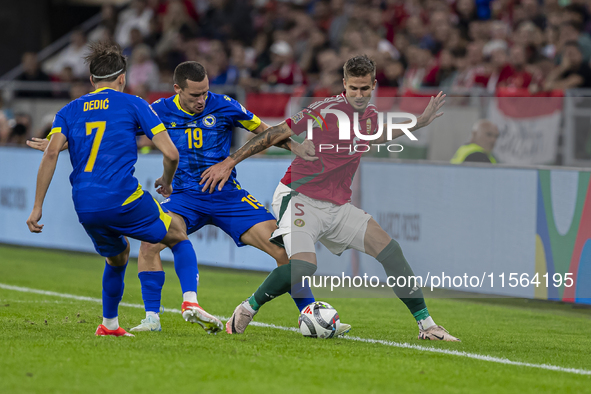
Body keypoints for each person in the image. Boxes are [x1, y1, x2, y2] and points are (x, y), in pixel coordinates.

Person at [28, 61, 344, 334]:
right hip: (185, 197)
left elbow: (266, 131)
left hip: (227, 196)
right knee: (150, 243)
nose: (202, 100)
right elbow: (111, 131)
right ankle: (152, 318)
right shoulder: (158, 110)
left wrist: (293, 149)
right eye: (195, 95)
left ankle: (305, 312)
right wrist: (61, 144)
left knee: (285, 251)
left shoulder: (224, 104)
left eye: (205, 92)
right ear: (178, 88)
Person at [200, 54, 460, 341]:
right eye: (354, 88)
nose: (359, 95)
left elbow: (380, 134)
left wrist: (418, 123)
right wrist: (230, 162)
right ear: (344, 84)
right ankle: (247, 309)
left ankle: (427, 326)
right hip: (299, 197)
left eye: (365, 89)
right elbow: (274, 133)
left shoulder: (370, 117)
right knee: (303, 267)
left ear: (373, 85)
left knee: (391, 251)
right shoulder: (323, 110)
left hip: (338, 206)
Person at [25, 41, 221, 337]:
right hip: (122, 197)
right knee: (178, 235)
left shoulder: (68, 110)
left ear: (91, 80)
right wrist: (167, 181)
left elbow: (51, 154)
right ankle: (189, 302)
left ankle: (110, 324)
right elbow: (171, 154)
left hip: (86, 205)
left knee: (118, 256)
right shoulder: (134, 103)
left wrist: (37, 206)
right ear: (122, 78)